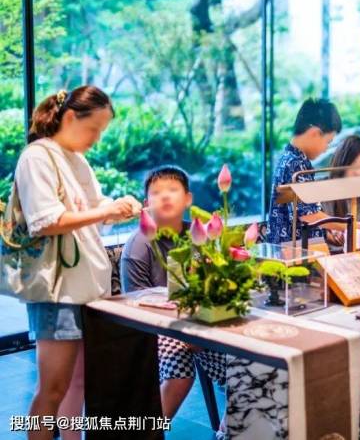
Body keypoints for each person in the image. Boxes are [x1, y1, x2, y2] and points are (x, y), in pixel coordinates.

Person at [17, 86, 140, 440]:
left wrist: (117, 209)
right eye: (93, 129)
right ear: (70, 117)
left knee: (77, 382)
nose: (96, 138)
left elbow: (93, 209)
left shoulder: (75, 160)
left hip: (84, 287)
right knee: (52, 388)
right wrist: (104, 210)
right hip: (58, 290)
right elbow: (45, 221)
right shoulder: (37, 157)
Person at [120, 165, 228, 421]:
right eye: (157, 192)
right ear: (146, 204)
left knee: (243, 365)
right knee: (180, 373)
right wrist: (182, 330)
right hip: (154, 328)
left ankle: (228, 429)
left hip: (197, 323)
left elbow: (212, 286)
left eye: (172, 190)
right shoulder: (138, 245)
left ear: (188, 199)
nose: (165, 196)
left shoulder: (198, 235)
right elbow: (136, 307)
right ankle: (148, 433)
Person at [267, 98, 348, 244]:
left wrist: (327, 234)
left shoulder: (292, 159)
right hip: (291, 251)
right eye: (328, 142)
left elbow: (302, 215)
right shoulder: (294, 164)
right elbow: (308, 215)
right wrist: (349, 226)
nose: (326, 149)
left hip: (296, 247)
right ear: (314, 133)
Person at [321, 134, 360, 250]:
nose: (359, 172)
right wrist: (328, 233)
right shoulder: (322, 191)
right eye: (353, 165)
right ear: (341, 164)